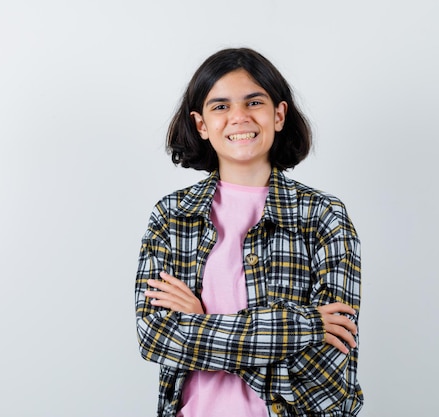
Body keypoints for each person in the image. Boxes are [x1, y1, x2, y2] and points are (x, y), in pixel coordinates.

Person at [134, 47, 362, 417]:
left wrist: (200, 322)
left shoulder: (323, 216)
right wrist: (304, 325)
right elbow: (156, 337)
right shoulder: (172, 216)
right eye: (220, 106)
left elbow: (327, 371)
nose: (238, 117)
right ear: (201, 124)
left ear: (278, 114)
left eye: (253, 102)